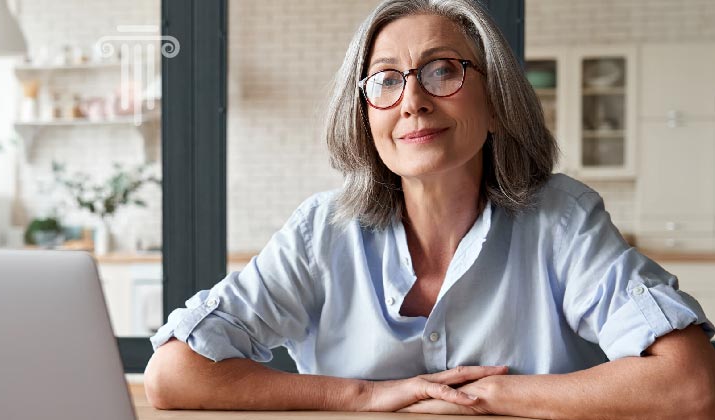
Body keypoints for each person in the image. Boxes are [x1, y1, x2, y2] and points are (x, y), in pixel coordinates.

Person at [144, 0, 715, 417]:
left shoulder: (561, 218)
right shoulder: (322, 230)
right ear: (366, 118)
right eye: (386, 80)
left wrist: (487, 394)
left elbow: (690, 383)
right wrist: (365, 396)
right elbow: (174, 376)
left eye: (443, 70)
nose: (413, 100)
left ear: (495, 104)